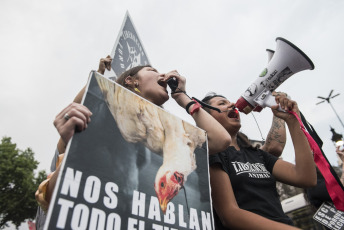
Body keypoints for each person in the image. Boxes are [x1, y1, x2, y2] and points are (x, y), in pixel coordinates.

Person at [35, 57, 231, 228]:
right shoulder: (102, 107)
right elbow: (51, 196)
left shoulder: (165, 133)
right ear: (130, 80)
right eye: (153, 71)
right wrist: (76, 146)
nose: (161, 74)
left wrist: (182, 97)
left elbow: (220, 140)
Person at [201, 93, 317, 229]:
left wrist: (292, 121)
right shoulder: (211, 153)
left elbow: (306, 178)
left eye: (229, 102)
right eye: (221, 103)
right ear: (207, 118)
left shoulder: (257, 155)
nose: (232, 104)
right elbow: (230, 215)